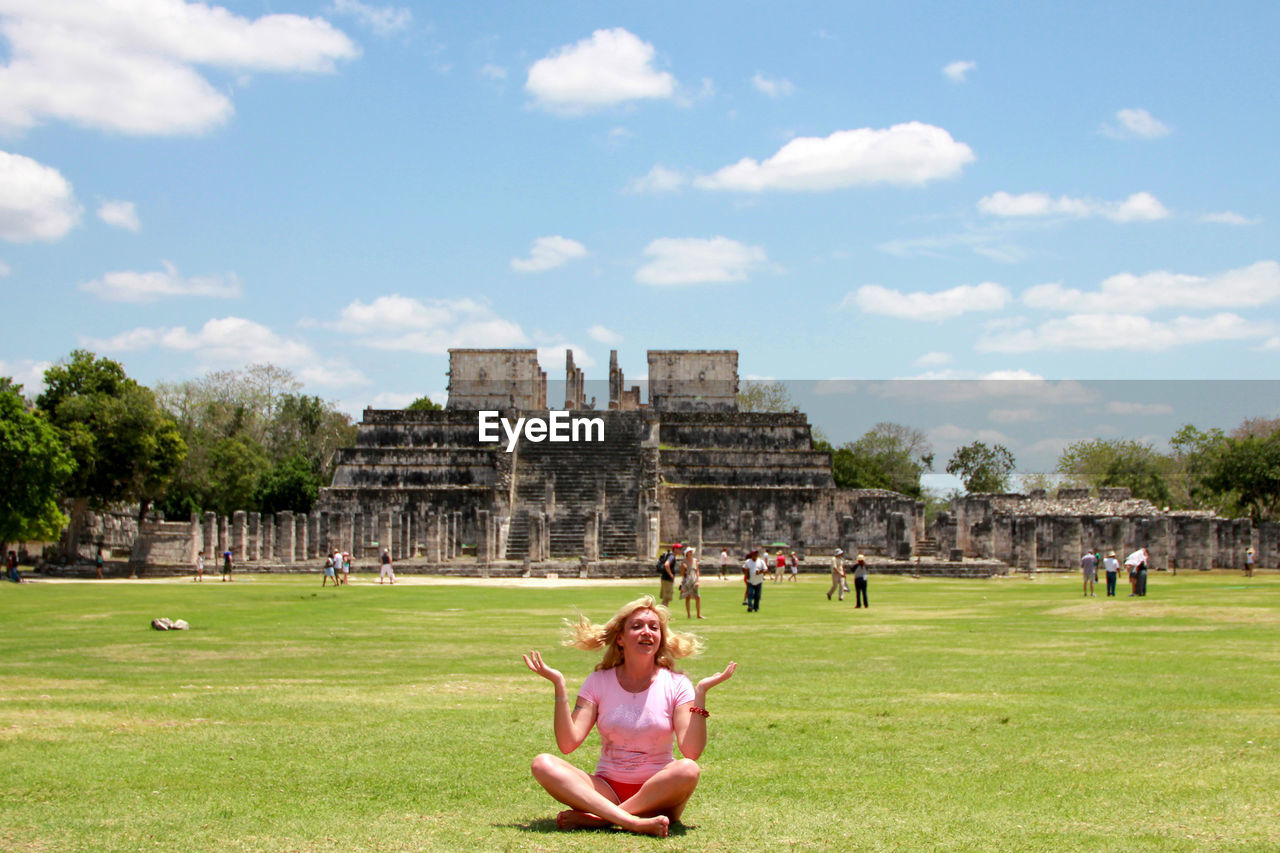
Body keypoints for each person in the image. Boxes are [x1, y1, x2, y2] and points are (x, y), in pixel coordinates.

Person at [522, 596, 736, 837]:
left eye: (654, 628)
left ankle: (602, 819)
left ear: (660, 638)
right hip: (605, 790)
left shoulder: (677, 684)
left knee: (688, 769)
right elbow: (568, 743)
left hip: (660, 795)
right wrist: (559, 685)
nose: (647, 632)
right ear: (620, 638)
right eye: (637, 626)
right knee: (543, 763)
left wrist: (701, 693)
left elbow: (691, 751)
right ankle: (631, 821)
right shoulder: (598, 681)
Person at [679, 547, 702, 619]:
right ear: (687, 553)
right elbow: (682, 574)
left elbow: (697, 571)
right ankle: (689, 615)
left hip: (694, 579)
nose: (691, 553)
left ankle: (698, 614)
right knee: (687, 597)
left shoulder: (695, 560)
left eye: (691, 552)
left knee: (698, 597)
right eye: (689, 552)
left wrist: (697, 581)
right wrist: (684, 568)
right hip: (687, 580)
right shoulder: (684, 562)